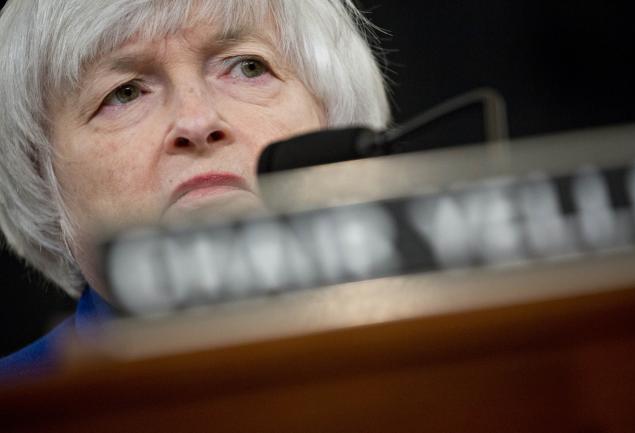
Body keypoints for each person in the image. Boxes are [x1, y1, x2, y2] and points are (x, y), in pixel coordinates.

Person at [0, 0, 390, 377]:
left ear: (334, 118)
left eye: (248, 67)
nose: (197, 121)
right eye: (125, 92)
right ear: (41, 176)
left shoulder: (445, 357)